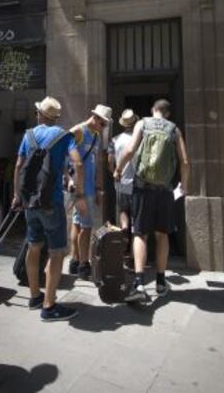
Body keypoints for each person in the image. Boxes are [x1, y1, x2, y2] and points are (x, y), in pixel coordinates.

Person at [12, 96, 86, 322]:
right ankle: (49, 305)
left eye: (37, 112)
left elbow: (18, 165)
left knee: (33, 247)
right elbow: (78, 163)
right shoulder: (64, 136)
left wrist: (17, 195)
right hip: (51, 202)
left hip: (30, 202)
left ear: (41, 115)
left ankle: (35, 296)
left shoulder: (29, 135)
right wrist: (79, 193)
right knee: (56, 253)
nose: (35, 115)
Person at [114, 99, 190, 303]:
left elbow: (130, 151)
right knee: (162, 235)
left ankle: (139, 283)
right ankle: (160, 281)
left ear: (152, 110)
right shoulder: (174, 129)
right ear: (168, 112)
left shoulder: (142, 124)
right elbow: (184, 161)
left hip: (142, 187)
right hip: (165, 190)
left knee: (140, 233)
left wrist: (118, 169)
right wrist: (183, 184)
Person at [68, 104, 112, 279]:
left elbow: (98, 164)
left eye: (105, 125)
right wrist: (69, 179)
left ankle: (74, 260)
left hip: (89, 188)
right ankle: (84, 264)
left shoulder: (95, 136)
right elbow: (64, 156)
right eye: (103, 124)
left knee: (78, 224)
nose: (104, 128)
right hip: (80, 188)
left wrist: (99, 187)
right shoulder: (77, 131)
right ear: (95, 118)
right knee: (86, 227)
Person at [108, 109, 139, 258]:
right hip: (138, 184)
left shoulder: (114, 140)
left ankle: (124, 232)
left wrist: (115, 172)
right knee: (137, 220)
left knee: (122, 211)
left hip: (120, 182)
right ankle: (134, 256)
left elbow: (109, 162)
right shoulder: (141, 139)